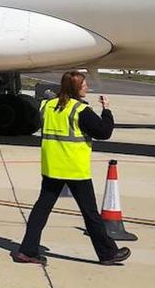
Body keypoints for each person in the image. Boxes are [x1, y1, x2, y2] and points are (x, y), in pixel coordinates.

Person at [13, 71, 130, 266]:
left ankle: (27, 250)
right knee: (91, 214)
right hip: (75, 169)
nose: (87, 88)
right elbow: (104, 132)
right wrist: (107, 111)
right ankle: (108, 253)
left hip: (52, 166)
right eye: (84, 85)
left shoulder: (48, 106)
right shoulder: (80, 110)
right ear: (76, 88)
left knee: (41, 209)